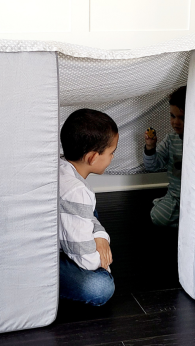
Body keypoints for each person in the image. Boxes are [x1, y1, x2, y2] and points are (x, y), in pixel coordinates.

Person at [58, 108, 118, 306]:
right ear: (92, 157)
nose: (112, 158)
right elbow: (85, 259)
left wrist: (100, 236)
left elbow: (89, 215)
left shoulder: (62, 167)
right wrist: (103, 262)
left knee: (89, 212)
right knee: (100, 286)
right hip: (49, 258)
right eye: (111, 153)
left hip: (64, 228)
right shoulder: (76, 192)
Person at [144, 86, 186, 227]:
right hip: (176, 195)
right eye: (172, 116)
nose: (175, 122)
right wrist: (150, 147)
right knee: (158, 217)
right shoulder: (171, 139)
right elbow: (152, 166)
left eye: (181, 118)